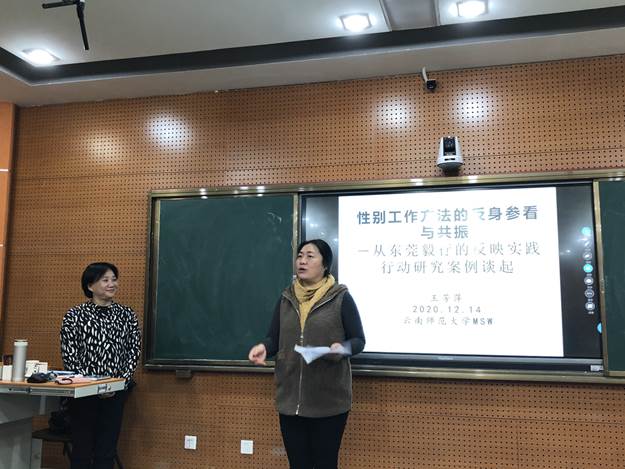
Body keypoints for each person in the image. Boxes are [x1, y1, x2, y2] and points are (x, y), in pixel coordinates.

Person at [249, 239, 365, 469]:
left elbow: (358, 340)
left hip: (328, 401)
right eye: (300, 256)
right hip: (290, 400)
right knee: (298, 464)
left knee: (324, 464)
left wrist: (342, 348)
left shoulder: (340, 297)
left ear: (325, 264)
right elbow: (274, 338)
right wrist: (264, 347)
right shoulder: (286, 298)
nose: (302, 261)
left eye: (310, 256)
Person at [60, 262, 141, 469]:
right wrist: (93, 386)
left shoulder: (127, 315)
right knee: (81, 449)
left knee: (107, 449)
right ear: (90, 286)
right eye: (105, 280)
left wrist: (119, 383)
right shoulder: (74, 315)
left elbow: (133, 352)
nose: (112, 284)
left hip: (116, 391)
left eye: (114, 279)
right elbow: (70, 356)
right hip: (83, 393)